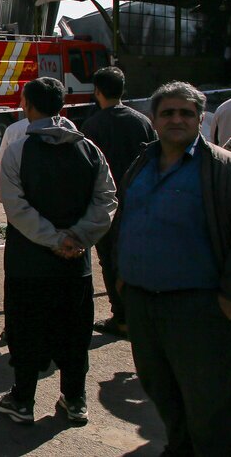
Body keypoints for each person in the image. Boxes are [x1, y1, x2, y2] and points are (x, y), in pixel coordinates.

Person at [114, 81, 231, 456]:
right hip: (143, 303)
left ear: (201, 118)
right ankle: (180, 447)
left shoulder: (221, 168)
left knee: (207, 397)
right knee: (158, 386)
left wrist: (230, 294)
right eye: (168, 113)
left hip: (198, 307)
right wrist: (122, 275)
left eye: (186, 113)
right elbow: (126, 217)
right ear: (154, 120)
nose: (177, 119)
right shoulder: (142, 162)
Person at [0, 77, 116, 426]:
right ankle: (75, 400)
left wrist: (53, 238)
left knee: (26, 330)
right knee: (75, 332)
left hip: (28, 263)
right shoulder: (89, 150)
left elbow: (14, 205)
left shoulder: (18, 150)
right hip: (75, 264)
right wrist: (76, 237)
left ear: (28, 105)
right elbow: (107, 200)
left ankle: (22, 400)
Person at [80, 67, 155, 338]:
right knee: (139, 258)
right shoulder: (142, 121)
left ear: (97, 91)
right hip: (141, 203)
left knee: (110, 261)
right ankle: (141, 314)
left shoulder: (92, 126)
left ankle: (121, 318)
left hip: (108, 206)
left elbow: (86, 169)